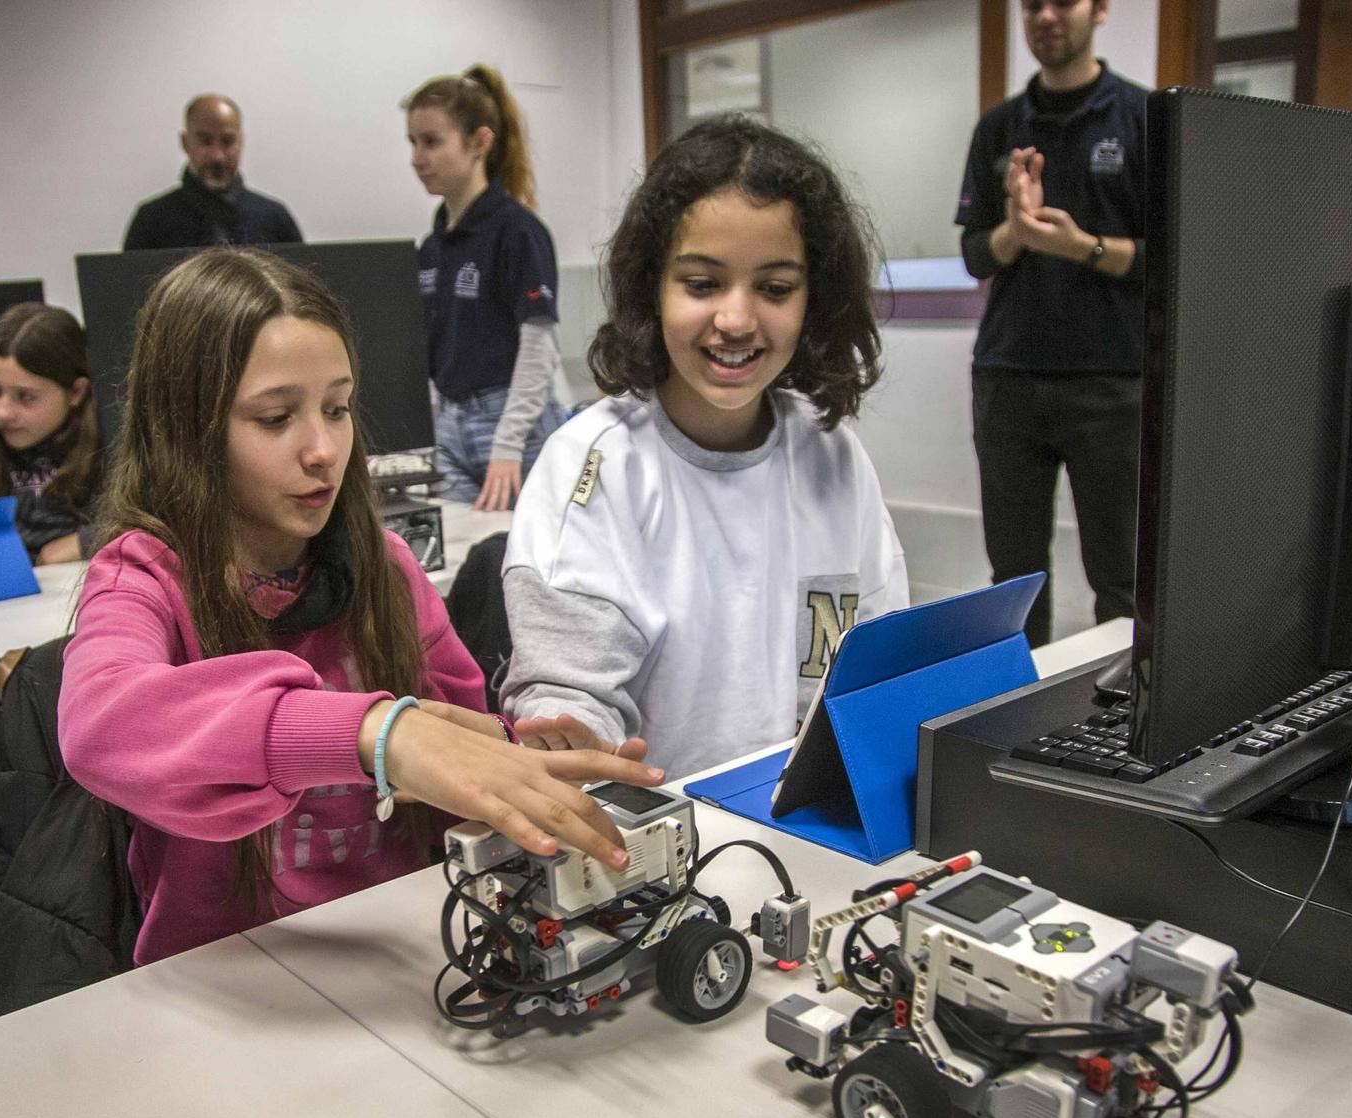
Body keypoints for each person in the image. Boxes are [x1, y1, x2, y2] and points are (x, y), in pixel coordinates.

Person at [58, 248, 662, 965]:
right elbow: (101, 724)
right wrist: (376, 732)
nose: (324, 449)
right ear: (187, 428)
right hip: (229, 986)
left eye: (338, 408)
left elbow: (453, 779)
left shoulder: (384, 568)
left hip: (403, 957)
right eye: (276, 417)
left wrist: (512, 762)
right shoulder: (142, 577)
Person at [500, 116, 910, 780]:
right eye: (701, 283)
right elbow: (571, 699)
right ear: (651, 287)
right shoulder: (596, 464)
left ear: (815, 300)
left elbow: (879, 660)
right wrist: (570, 738)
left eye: (775, 289)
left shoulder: (832, 453)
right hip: (659, 840)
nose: (737, 319)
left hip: (810, 828)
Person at [955, 0, 1146, 647]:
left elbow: (1171, 259)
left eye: (1062, 1)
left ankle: (1121, 721)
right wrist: (1018, 230)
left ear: (1100, 10)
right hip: (1008, 379)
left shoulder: (1144, 118)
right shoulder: (999, 127)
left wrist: (1082, 247)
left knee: (1120, 577)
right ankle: (1018, 713)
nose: (1044, 16)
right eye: (1031, 4)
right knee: (1014, 576)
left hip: (1111, 383)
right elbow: (976, 252)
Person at [405, 65, 563, 511]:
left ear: (479, 142)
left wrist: (508, 445)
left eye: (432, 142)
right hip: (451, 425)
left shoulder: (517, 231)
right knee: (460, 555)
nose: (418, 157)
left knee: (521, 559)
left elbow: (538, 348)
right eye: (413, 143)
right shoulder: (433, 247)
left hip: (512, 424)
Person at [0, 302, 99, 564]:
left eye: (25, 397)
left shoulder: (113, 447)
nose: (2, 412)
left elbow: (157, 524)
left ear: (76, 392)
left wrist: (86, 541)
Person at [122, 94, 303, 251]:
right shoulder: (151, 221)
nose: (217, 156)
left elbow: (301, 289)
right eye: (205, 141)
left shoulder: (274, 218)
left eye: (227, 141)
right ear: (185, 143)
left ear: (241, 142)